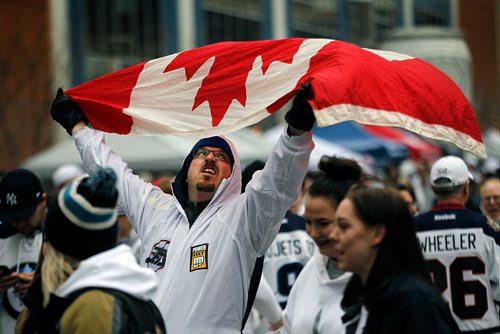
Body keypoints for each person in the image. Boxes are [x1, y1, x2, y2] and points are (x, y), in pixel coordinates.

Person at [50, 84, 315, 333]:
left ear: (232, 175)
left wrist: (296, 133)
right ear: (186, 171)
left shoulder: (243, 219)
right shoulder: (157, 210)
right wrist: (79, 129)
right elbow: (114, 175)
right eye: (201, 154)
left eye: (221, 157)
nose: (210, 158)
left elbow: (276, 184)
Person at [21, 168, 164, 333]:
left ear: (62, 248)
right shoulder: (137, 296)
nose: (43, 247)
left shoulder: (93, 308)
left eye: (47, 240)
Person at [331, 186, 458, 333]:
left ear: (377, 233)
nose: (333, 236)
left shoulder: (415, 303)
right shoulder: (362, 296)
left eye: (344, 226)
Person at [415, 156, 500, 332]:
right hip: (482, 329)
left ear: (433, 188)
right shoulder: (483, 226)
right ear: (466, 188)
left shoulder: (414, 228)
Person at [283, 156, 363, 334]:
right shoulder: (311, 270)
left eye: (323, 223)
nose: (312, 232)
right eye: (308, 222)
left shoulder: (377, 280)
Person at [0, 169, 46, 333]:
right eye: (13, 218)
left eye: (25, 217)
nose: (19, 224)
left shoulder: (61, 234)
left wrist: (41, 288)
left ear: (43, 201)